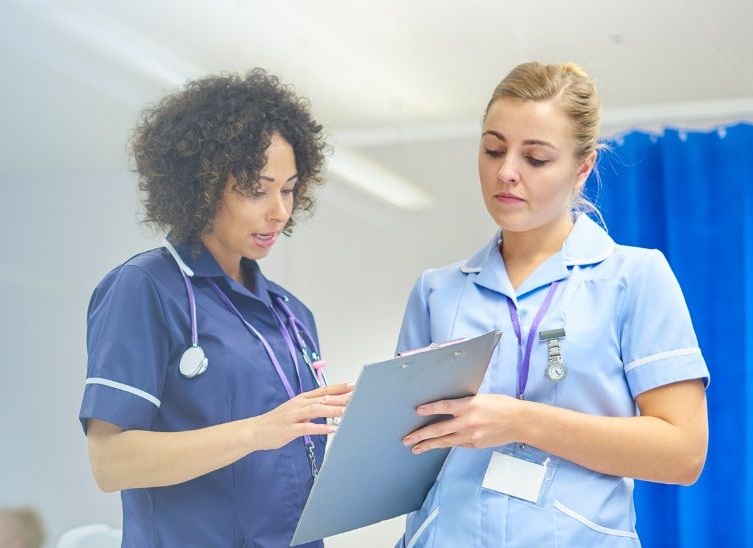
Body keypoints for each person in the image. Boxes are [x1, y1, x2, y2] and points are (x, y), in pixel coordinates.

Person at [395, 62, 709, 547]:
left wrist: (521, 421)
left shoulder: (632, 277)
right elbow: (404, 455)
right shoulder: (437, 292)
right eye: (493, 149)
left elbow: (683, 454)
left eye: (536, 158)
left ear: (582, 169)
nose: (506, 172)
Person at [78, 68, 352, 547]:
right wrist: (257, 432)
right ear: (203, 189)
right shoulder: (145, 288)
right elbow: (110, 462)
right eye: (256, 190)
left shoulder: (291, 314)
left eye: (288, 189)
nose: (279, 211)